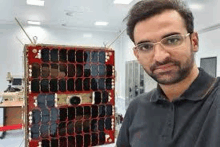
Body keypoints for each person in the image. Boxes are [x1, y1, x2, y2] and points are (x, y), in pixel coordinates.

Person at [116, 0, 220, 146]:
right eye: (146, 46)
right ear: (137, 54)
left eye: (172, 40)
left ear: (194, 41)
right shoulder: (136, 108)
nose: (160, 57)